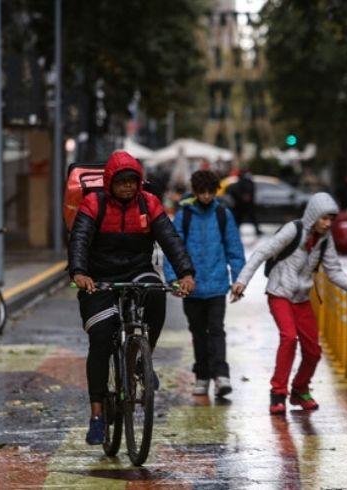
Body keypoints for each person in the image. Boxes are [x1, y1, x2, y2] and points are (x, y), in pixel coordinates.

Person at [68, 150, 196, 445]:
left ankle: (140, 359)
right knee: (101, 337)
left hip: (138, 271)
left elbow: (170, 240)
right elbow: (79, 240)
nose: (127, 187)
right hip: (98, 279)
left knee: (156, 296)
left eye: (132, 181)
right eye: (122, 181)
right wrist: (78, 272)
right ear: (110, 181)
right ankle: (97, 414)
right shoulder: (93, 204)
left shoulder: (149, 203)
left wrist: (186, 273)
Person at [230, 192, 347, 415]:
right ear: (314, 216)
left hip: (302, 298)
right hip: (279, 293)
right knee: (289, 338)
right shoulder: (293, 230)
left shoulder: (325, 240)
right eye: (324, 218)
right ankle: (277, 393)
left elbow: (334, 271)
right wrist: (241, 281)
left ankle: (300, 389)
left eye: (331, 219)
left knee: (313, 351)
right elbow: (261, 253)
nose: (328, 224)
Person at [164, 170, 246, 398]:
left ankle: (221, 375)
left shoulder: (223, 214)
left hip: (217, 285)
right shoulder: (184, 216)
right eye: (203, 192)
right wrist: (173, 279)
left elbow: (234, 249)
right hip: (191, 287)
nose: (207, 196)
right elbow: (174, 248)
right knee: (198, 333)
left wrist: (239, 281)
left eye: (211, 192)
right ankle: (202, 376)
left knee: (216, 330)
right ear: (196, 191)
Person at [228, 170, 261, 236]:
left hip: (245, 205)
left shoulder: (248, 183)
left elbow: (251, 192)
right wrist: (242, 197)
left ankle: (256, 230)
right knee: (239, 219)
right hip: (240, 205)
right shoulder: (242, 183)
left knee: (249, 218)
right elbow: (234, 193)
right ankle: (235, 231)